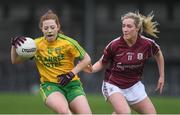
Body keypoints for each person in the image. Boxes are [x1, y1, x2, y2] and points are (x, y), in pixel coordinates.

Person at [11, 10, 92, 114]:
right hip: (51, 86)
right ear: (41, 29)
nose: (49, 31)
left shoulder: (68, 42)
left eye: (52, 27)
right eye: (46, 28)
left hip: (72, 85)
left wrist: (70, 74)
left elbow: (87, 59)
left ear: (58, 27)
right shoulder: (35, 45)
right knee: (64, 112)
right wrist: (14, 46)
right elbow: (15, 60)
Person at [84, 11, 165, 114]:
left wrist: (161, 76)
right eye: (123, 26)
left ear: (137, 28)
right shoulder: (114, 45)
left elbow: (158, 53)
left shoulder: (147, 44)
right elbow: (102, 62)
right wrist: (91, 69)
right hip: (113, 84)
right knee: (125, 113)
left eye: (129, 26)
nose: (125, 30)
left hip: (134, 85)